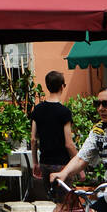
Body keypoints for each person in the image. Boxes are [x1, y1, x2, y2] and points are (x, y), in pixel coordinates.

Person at [28, 71, 77, 201]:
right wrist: (79, 165)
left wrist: (35, 163)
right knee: (64, 202)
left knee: (52, 200)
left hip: (44, 162)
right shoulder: (64, 112)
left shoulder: (37, 110)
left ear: (47, 86)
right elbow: (69, 144)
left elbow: (33, 139)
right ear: (62, 86)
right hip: (62, 164)